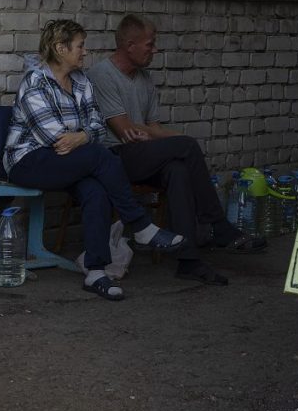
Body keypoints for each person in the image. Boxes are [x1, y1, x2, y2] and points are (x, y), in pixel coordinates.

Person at [4, 19, 185, 301]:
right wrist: (84, 137)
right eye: (80, 46)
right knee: (101, 157)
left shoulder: (81, 81)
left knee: (95, 189)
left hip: (71, 158)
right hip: (29, 161)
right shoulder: (35, 82)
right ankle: (140, 225)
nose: (85, 52)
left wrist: (83, 137)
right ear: (60, 48)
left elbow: (98, 126)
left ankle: (96, 272)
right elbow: (55, 138)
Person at [86, 14, 268, 287]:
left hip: (143, 154)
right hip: (114, 157)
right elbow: (122, 128)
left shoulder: (144, 78)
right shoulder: (102, 74)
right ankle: (217, 225)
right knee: (184, 150)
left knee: (179, 169)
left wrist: (184, 140)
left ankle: (188, 261)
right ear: (129, 44)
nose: (154, 50)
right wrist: (182, 144)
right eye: (150, 44)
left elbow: (154, 128)